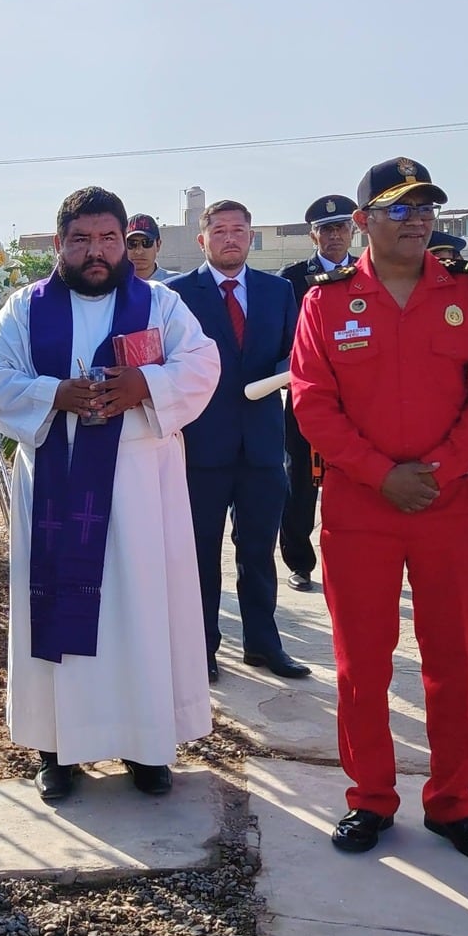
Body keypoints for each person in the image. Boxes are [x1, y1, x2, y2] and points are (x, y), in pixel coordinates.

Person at [289, 157, 468, 865]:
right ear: (362, 222)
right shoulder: (325, 303)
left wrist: (441, 470)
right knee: (363, 664)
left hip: (449, 505)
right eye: (398, 209)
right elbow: (311, 401)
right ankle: (370, 799)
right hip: (361, 508)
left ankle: (454, 804)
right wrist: (382, 475)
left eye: (426, 209)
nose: (417, 220)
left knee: (452, 659)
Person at [0, 186, 221, 800]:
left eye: (108, 238)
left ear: (124, 242)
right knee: (58, 608)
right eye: (80, 239)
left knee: (139, 612)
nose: (96, 251)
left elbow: (203, 364)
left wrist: (144, 383)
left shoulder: (159, 304)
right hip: (57, 483)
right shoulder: (24, 310)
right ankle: (58, 750)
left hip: (141, 492)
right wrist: (53, 394)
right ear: (59, 244)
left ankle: (146, 745)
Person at [169, 200, 313, 682]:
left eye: (239, 230)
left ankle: (263, 643)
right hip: (201, 445)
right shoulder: (178, 295)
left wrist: (278, 376)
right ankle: (202, 647)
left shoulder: (278, 292)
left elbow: (294, 352)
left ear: (252, 237)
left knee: (257, 549)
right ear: (202, 239)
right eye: (220, 230)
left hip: (263, 444)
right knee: (200, 552)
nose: (230, 238)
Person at [277, 194, 357, 592]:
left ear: (354, 230)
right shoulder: (290, 279)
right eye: (326, 229)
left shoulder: (368, 273)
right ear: (313, 235)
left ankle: (353, 558)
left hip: (359, 398)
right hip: (308, 393)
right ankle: (299, 561)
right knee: (301, 480)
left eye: (342, 227)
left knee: (355, 476)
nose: (335, 236)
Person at [125, 213, 162, 281]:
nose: (139, 251)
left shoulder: (178, 285)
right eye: (132, 243)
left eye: (146, 243)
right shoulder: (113, 286)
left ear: (158, 245)